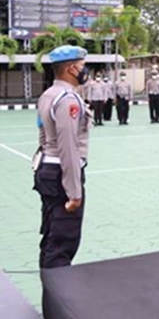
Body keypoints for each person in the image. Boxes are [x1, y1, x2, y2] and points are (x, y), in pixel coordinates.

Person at [33, 45, 91, 268]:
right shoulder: (67, 99)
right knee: (62, 244)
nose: (85, 71)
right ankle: (57, 300)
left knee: (51, 236)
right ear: (71, 68)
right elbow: (69, 148)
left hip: (48, 169)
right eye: (82, 66)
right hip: (61, 174)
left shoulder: (48, 94)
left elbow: (42, 135)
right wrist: (74, 192)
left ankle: (50, 297)